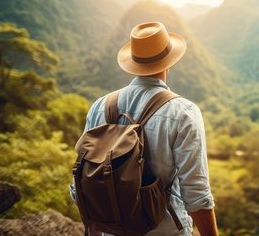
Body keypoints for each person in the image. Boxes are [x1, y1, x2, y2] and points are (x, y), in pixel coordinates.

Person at [70, 22, 218, 236]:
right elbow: (196, 194)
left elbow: (83, 181)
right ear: (169, 63)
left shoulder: (100, 106)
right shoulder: (183, 112)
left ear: (133, 61)